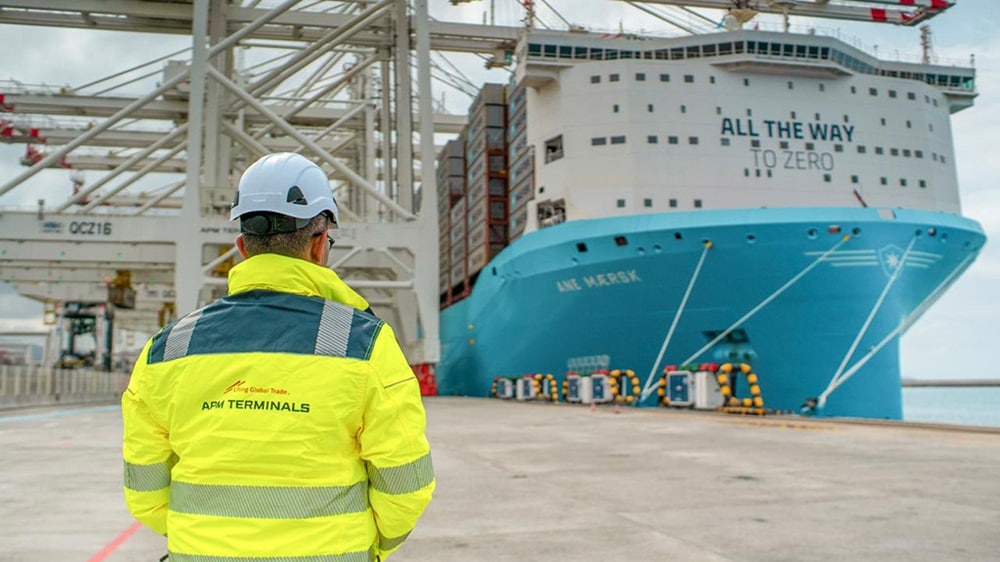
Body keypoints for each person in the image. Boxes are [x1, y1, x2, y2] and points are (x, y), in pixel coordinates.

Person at [122, 152, 434, 562]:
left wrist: (202, 540)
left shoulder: (168, 348)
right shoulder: (365, 344)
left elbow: (144, 490)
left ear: (241, 247)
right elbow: (406, 485)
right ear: (320, 244)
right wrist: (372, 546)